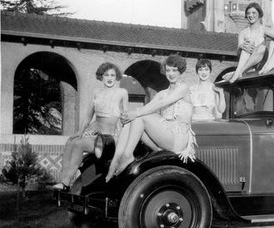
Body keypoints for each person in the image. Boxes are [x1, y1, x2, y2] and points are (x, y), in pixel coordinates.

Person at [106, 55, 196, 181]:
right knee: (134, 118)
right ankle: (118, 158)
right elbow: (146, 108)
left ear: (180, 71)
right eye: (168, 70)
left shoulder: (183, 88)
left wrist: (136, 113)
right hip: (163, 139)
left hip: (178, 139)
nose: (171, 74)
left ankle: (127, 155)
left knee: (140, 116)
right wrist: (129, 115)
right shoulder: (162, 93)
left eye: (174, 70)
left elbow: (160, 104)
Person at [51, 62, 128, 191]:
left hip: (109, 135)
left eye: (112, 75)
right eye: (106, 75)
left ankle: (65, 183)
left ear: (116, 77)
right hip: (94, 129)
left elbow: (126, 115)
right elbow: (88, 115)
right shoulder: (96, 92)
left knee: (78, 145)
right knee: (71, 141)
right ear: (101, 77)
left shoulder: (122, 92)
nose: (109, 78)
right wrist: (80, 131)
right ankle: (63, 180)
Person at [226, 2, 267, 83]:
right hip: (248, 62)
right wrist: (241, 46)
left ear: (259, 14)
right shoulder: (243, 33)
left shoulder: (265, 30)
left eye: (253, 13)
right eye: (248, 13)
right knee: (246, 45)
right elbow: (238, 52)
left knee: (261, 47)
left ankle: (238, 72)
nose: (250, 15)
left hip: (261, 61)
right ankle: (239, 71)